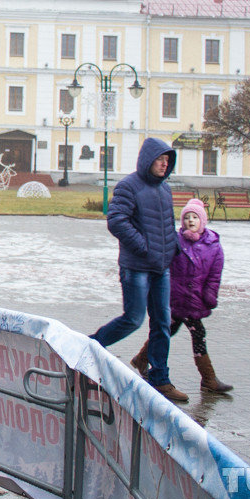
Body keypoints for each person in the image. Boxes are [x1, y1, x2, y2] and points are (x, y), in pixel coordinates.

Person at [88, 137, 191, 402]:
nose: (164, 164)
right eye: (160, 159)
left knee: (162, 323)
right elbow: (117, 221)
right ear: (148, 160)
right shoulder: (129, 187)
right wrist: (143, 247)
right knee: (133, 319)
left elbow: (167, 225)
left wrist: (175, 249)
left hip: (161, 267)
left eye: (168, 161)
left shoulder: (164, 190)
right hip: (136, 267)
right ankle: (89, 347)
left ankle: (160, 378)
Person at [131, 198, 234, 393]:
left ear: (202, 220)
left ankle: (142, 358)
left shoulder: (213, 245)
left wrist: (210, 293)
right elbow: (162, 264)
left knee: (170, 331)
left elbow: (215, 274)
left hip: (195, 300)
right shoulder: (176, 241)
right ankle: (208, 379)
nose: (191, 221)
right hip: (176, 298)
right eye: (187, 217)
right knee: (192, 333)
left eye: (195, 217)